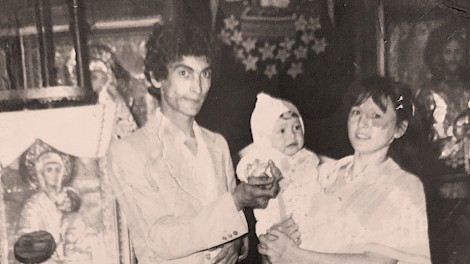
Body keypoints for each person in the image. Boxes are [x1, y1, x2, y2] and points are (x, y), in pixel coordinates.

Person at [107, 21, 283, 264]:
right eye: (184, 73)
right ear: (157, 77)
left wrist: (236, 240)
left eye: (205, 74)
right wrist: (236, 201)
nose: (197, 87)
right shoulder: (129, 152)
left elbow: (238, 235)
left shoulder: (217, 145)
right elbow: (160, 240)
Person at [258, 76, 431, 264]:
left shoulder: (405, 186)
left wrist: (294, 255)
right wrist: (272, 242)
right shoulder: (321, 174)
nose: (362, 123)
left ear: (399, 129)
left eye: (376, 116)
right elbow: (277, 252)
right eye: (357, 112)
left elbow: (377, 262)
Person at [236, 92, 320, 263]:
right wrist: (257, 170)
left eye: (297, 127)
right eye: (282, 130)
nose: (291, 135)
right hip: (276, 222)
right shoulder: (263, 157)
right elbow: (244, 169)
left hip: (307, 221)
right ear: (265, 136)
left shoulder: (307, 157)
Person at [15, 141, 96, 263]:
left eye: (58, 169)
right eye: (49, 170)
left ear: (63, 172)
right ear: (41, 174)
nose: (54, 174)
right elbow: (25, 244)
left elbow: (87, 232)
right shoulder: (33, 205)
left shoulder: (71, 199)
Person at [417, 23, 470, 173]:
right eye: (448, 52)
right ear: (439, 55)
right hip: (437, 167)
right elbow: (421, 132)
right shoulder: (428, 92)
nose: (453, 58)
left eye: (457, 52)